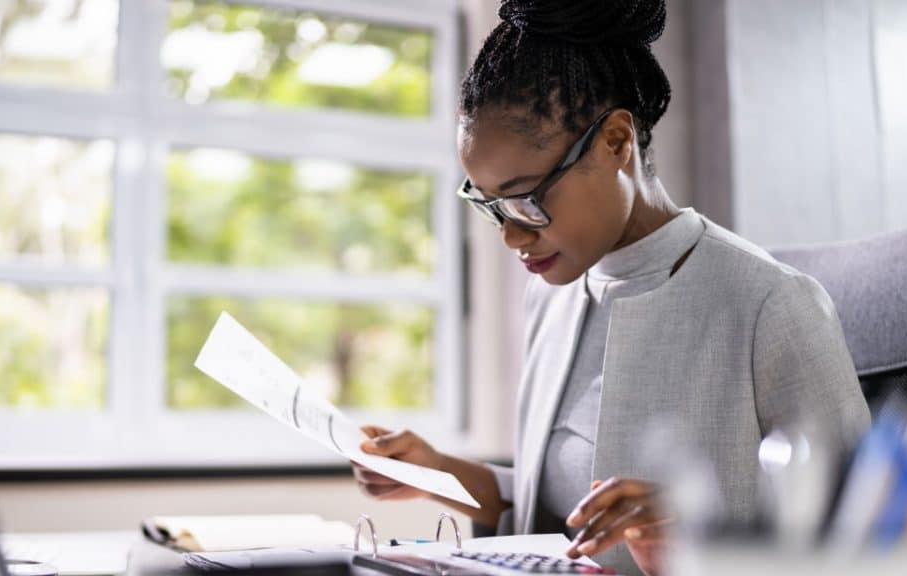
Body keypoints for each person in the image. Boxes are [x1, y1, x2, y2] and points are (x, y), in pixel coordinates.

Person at [352, 1, 871, 574]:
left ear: (616, 141)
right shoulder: (552, 293)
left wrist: (694, 527)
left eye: (527, 198)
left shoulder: (769, 303)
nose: (512, 237)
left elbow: (867, 535)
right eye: (491, 205)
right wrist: (434, 470)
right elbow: (550, 513)